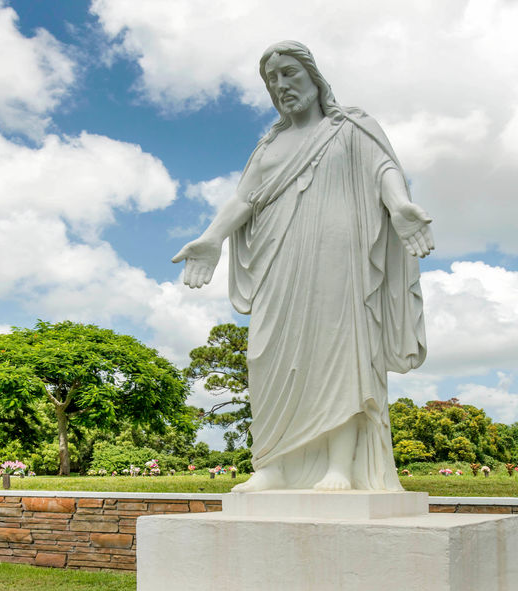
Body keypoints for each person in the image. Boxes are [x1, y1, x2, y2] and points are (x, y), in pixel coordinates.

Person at [173, 41, 431, 492]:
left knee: (338, 351)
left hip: (338, 253)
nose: (281, 85)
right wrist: (213, 237)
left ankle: (340, 467)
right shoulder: (270, 144)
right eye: (272, 79)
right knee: (269, 355)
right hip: (277, 257)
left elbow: (383, 169)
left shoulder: (351, 126)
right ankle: (273, 465)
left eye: (289, 73)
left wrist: (399, 205)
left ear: (314, 76)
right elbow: (244, 198)